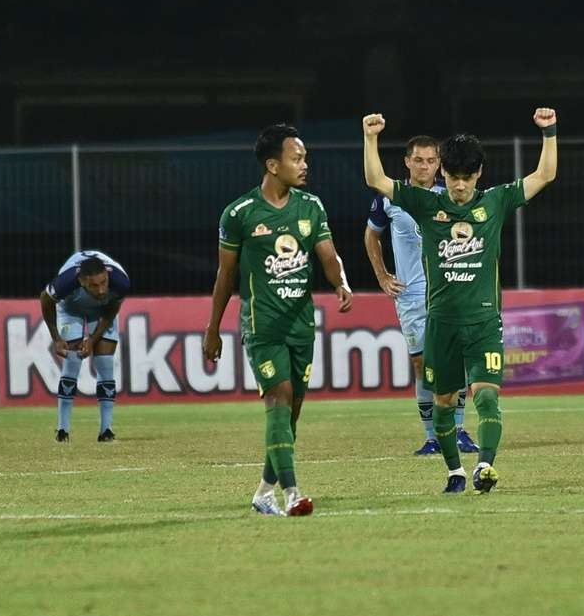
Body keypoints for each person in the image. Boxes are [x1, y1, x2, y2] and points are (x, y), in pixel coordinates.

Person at [362, 108, 558, 494]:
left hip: (485, 322)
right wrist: (371, 138)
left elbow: (544, 175)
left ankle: (484, 465)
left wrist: (549, 132)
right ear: (443, 175)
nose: (460, 186)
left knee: (486, 395)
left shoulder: (496, 201)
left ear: (478, 174)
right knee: (444, 401)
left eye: (467, 178)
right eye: (453, 178)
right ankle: (454, 471)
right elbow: (376, 179)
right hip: (442, 323)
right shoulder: (423, 203)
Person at [203, 123, 353, 517]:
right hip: (263, 325)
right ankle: (293, 494)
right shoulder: (240, 214)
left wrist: (340, 282)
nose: (305, 165)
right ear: (273, 164)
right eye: (296, 158)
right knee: (278, 397)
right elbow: (226, 275)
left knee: (291, 414)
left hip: (301, 323)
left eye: (304, 157)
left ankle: (264, 492)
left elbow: (328, 254)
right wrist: (213, 327)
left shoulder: (311, 207)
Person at [364, 134, 480, 457]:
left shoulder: (451, 195)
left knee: (456, 361)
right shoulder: (390, 197)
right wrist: (383, 276)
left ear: (439, 164)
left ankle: (457, 431)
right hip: (412, 294)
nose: (425, 166)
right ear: (407, 162)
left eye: (431, 161)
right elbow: (371, 237)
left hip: (448, 290)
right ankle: (432, 437)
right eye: (419, 160)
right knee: (421, 364)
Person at [39, 250, 130, 443]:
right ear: (82, 281)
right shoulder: (66, 282)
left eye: (104, 282)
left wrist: (93, 339)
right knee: (72, 362)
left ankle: (106, 430)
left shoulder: (120, 281)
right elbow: (45, 299)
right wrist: (56, 338)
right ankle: (63, 430)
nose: (101, 290)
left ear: (107, 275)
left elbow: (112, 308)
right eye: (94, 285)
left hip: (103, 312)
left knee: (105, 363)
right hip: (70, 310)